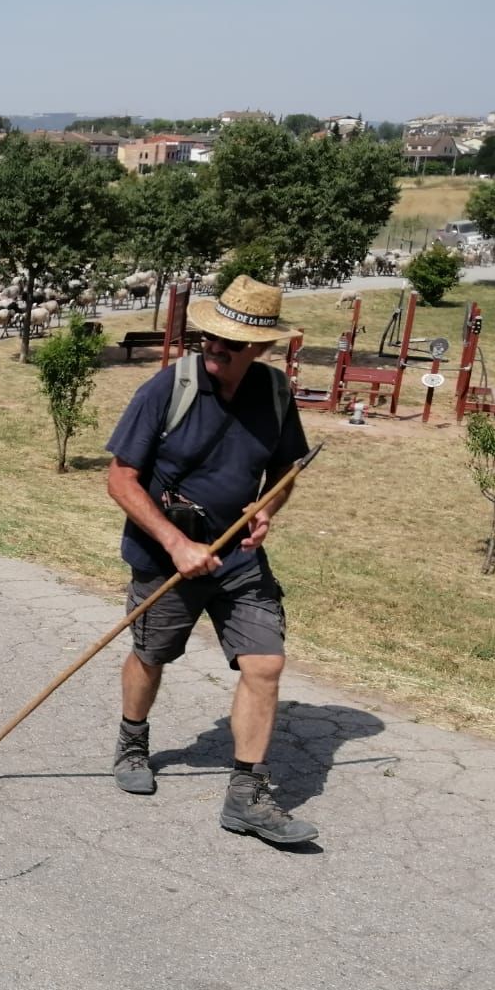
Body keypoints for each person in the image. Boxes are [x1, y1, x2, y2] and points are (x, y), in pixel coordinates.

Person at [103, 276, 317, 845]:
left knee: (266, 665)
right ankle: (132, 740)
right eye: (210, 336)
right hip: (166, 559)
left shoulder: (274, 392)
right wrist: (175, 543)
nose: (215, 347)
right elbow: (121, 479)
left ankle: (246, 797)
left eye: (232, 341)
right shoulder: (166, 388)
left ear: (261, 348)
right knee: (152, 654)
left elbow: (285, 471)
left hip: (240, 559)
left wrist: (267, 509)